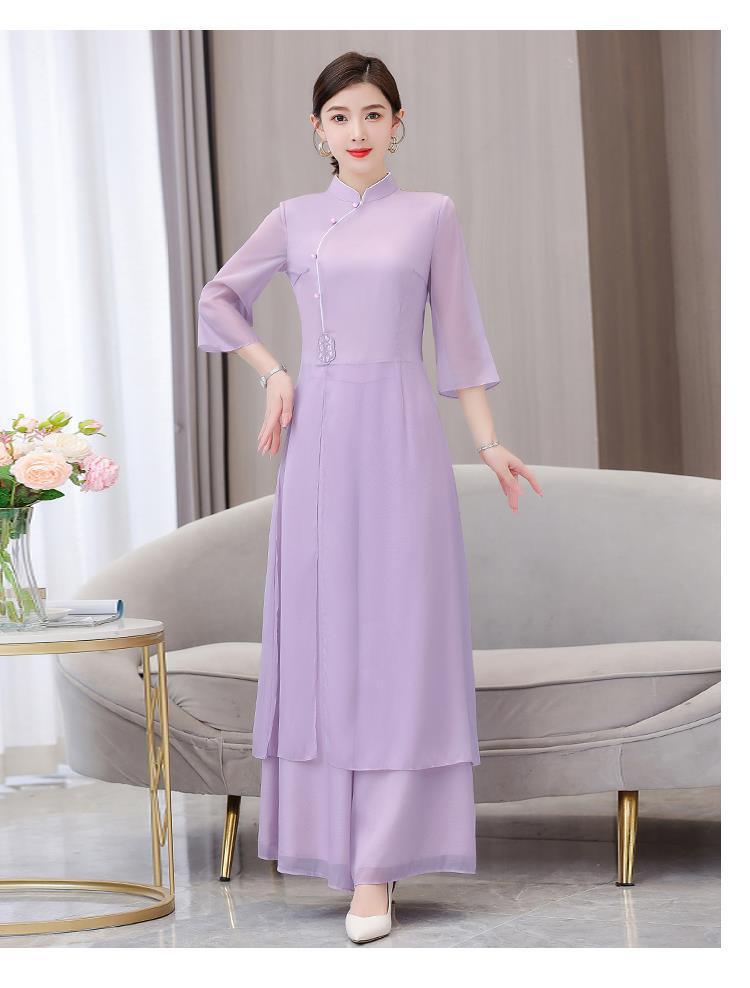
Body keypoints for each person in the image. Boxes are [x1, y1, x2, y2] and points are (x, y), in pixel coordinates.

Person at [197, 50, 542, 944]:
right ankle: (334, 845)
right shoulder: (294, 218)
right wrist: (274, 372)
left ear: (398, 124)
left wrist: (489, 442)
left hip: (401, 439)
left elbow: (460, 337)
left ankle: (377, 870)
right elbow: (220, 298)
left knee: (399, 641)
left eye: (373, 114)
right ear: (318, 131)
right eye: (340, 116)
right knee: (326, 643)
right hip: (317, 444)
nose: (358, 131)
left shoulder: (431, 216)